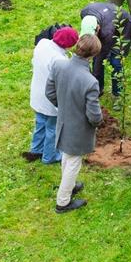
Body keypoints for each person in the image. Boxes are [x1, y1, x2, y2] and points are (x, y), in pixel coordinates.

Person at [46, 34, 103, 214]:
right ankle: (63, 202)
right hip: (78, 129)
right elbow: (94, 116)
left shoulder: (58, 65)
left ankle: (68, 186)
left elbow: (49, 93)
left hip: (63, 121)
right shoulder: (90, 82)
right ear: (92, 55)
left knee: (67, 156)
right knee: (73, 163)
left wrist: (64, 107)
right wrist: (99, 121)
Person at [24, 25, 78, 164]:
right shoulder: (60, 61)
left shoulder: (42, 44)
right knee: (53, 129)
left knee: (40, 123)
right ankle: (50, 157)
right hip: (51, 102)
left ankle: (36, 149)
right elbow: (62, 85)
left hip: (36, 95)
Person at [80, 3, 131, 98]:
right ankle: (98, 89)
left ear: (97, 28)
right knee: (97, 58)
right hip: (109, 17)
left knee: (116, 62)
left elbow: (101, 56)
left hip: (125, 26)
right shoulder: (85, 12)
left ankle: (117, 94)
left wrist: (91, 62)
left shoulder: (107, 31)